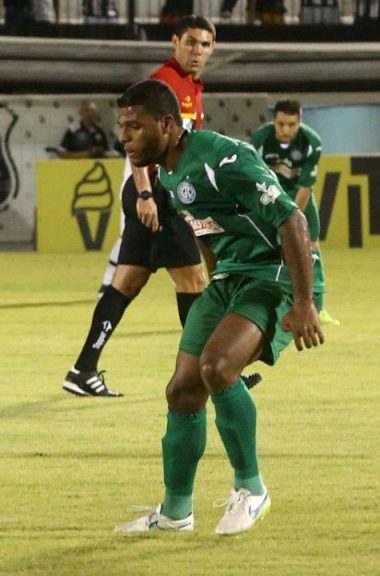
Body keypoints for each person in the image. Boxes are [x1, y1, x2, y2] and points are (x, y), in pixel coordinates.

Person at [111, 80, 324, 535]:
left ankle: (252, 489)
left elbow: (292, 218)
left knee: (217, 367)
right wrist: (216, 278)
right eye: (121, 127)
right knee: (181, 392)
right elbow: (205, 227)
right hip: (231, 276)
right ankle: (175, 513)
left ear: (167, 124)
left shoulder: (223, 159)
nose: (125, 137)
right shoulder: (168, 171)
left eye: (135, 126)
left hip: (276, 273)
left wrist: (305, 301)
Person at [65, 15, 226, 397]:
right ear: (175, 42)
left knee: (125, 284)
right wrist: (144, 193)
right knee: (193, 282)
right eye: (190, 42)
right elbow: (134, 139)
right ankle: (208, 373)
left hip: (160, 193)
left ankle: (83, 369)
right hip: (157, 194)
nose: (197, 51)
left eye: (204, 45)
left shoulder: (190, 86)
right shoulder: (162, 84)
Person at [250, 99, 338, 326]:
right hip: (268, 198)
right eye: (280, 124)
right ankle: (266, 305)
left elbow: (305, 188)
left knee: (311, 248)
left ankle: (318, 308)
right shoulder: (259, 141)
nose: (285, 130)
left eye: (291, 124)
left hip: (299, 199)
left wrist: (292, 220)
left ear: (300, 122)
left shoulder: (311, 142)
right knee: (262, 248)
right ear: (273, 121)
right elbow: (254, 181)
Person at [47, 101, 114, 159]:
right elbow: (61, 153)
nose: (89, 114)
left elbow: (106, 154)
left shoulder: (99, 132)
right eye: (86, 110)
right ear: (80, 113)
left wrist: (99, 152)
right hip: (75, 168)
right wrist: (86, 154)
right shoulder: (72, 130)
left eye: (92, 111)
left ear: (96, 114)